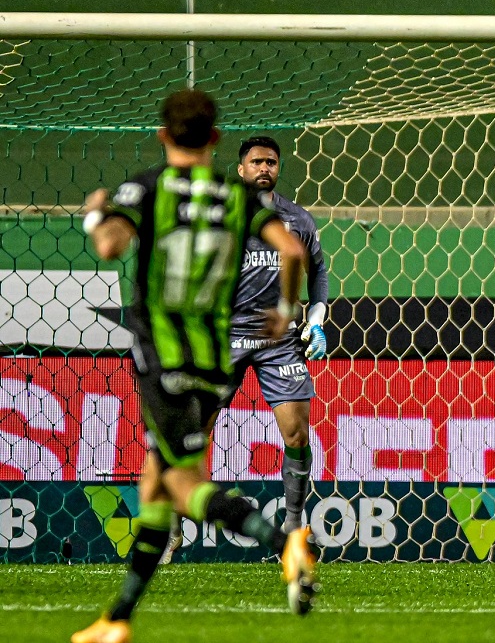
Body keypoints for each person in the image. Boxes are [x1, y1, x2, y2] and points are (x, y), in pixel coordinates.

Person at [72, 89, 318, 643]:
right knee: (156, 485)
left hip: (164, 359)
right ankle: (117, 620)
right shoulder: (237, 195)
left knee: (180, 484)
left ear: (163, 135)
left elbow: (110, 246)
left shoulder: (147, 187)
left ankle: (285, 544)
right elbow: (293, 252)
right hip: (215, 359)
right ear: (216, 139)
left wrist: (94, 215)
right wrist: (286, 311)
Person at [230, 135, 329, 533]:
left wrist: (316, 318)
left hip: (280, 339)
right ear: (241, 169)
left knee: (297, 433)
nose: (264, 168)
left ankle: (292, 526)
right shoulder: (221, 215)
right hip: (226, 334)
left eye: (271, 162)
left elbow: (318, 272)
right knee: (192, 434)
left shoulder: (298, 220)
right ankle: (170, 528)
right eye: (256, 162)